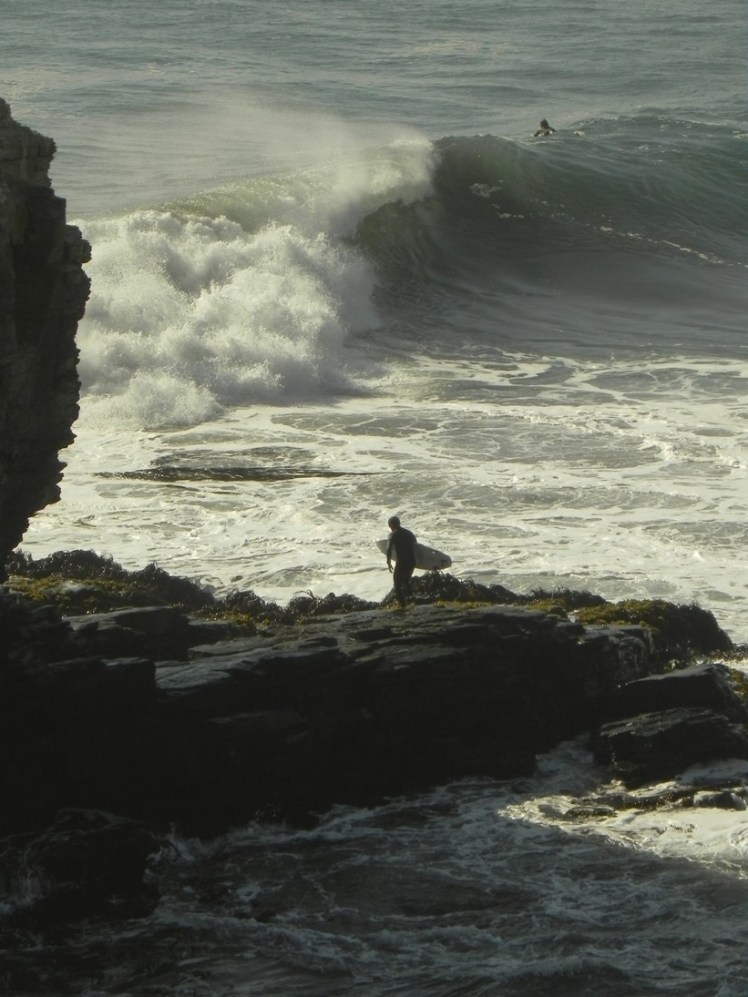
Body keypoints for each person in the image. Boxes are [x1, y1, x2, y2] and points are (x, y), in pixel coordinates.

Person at [386, 516, 417, 608]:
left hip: (402, 563)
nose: (390, 528)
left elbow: (388, 549)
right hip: (411, 562)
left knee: (397, 586)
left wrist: (388, 562)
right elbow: (416, 547)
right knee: (406, 581)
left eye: (389, 525)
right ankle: (413, 600)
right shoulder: (409, 533)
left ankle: (403, 606)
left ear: (392, 525)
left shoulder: (393, 535)